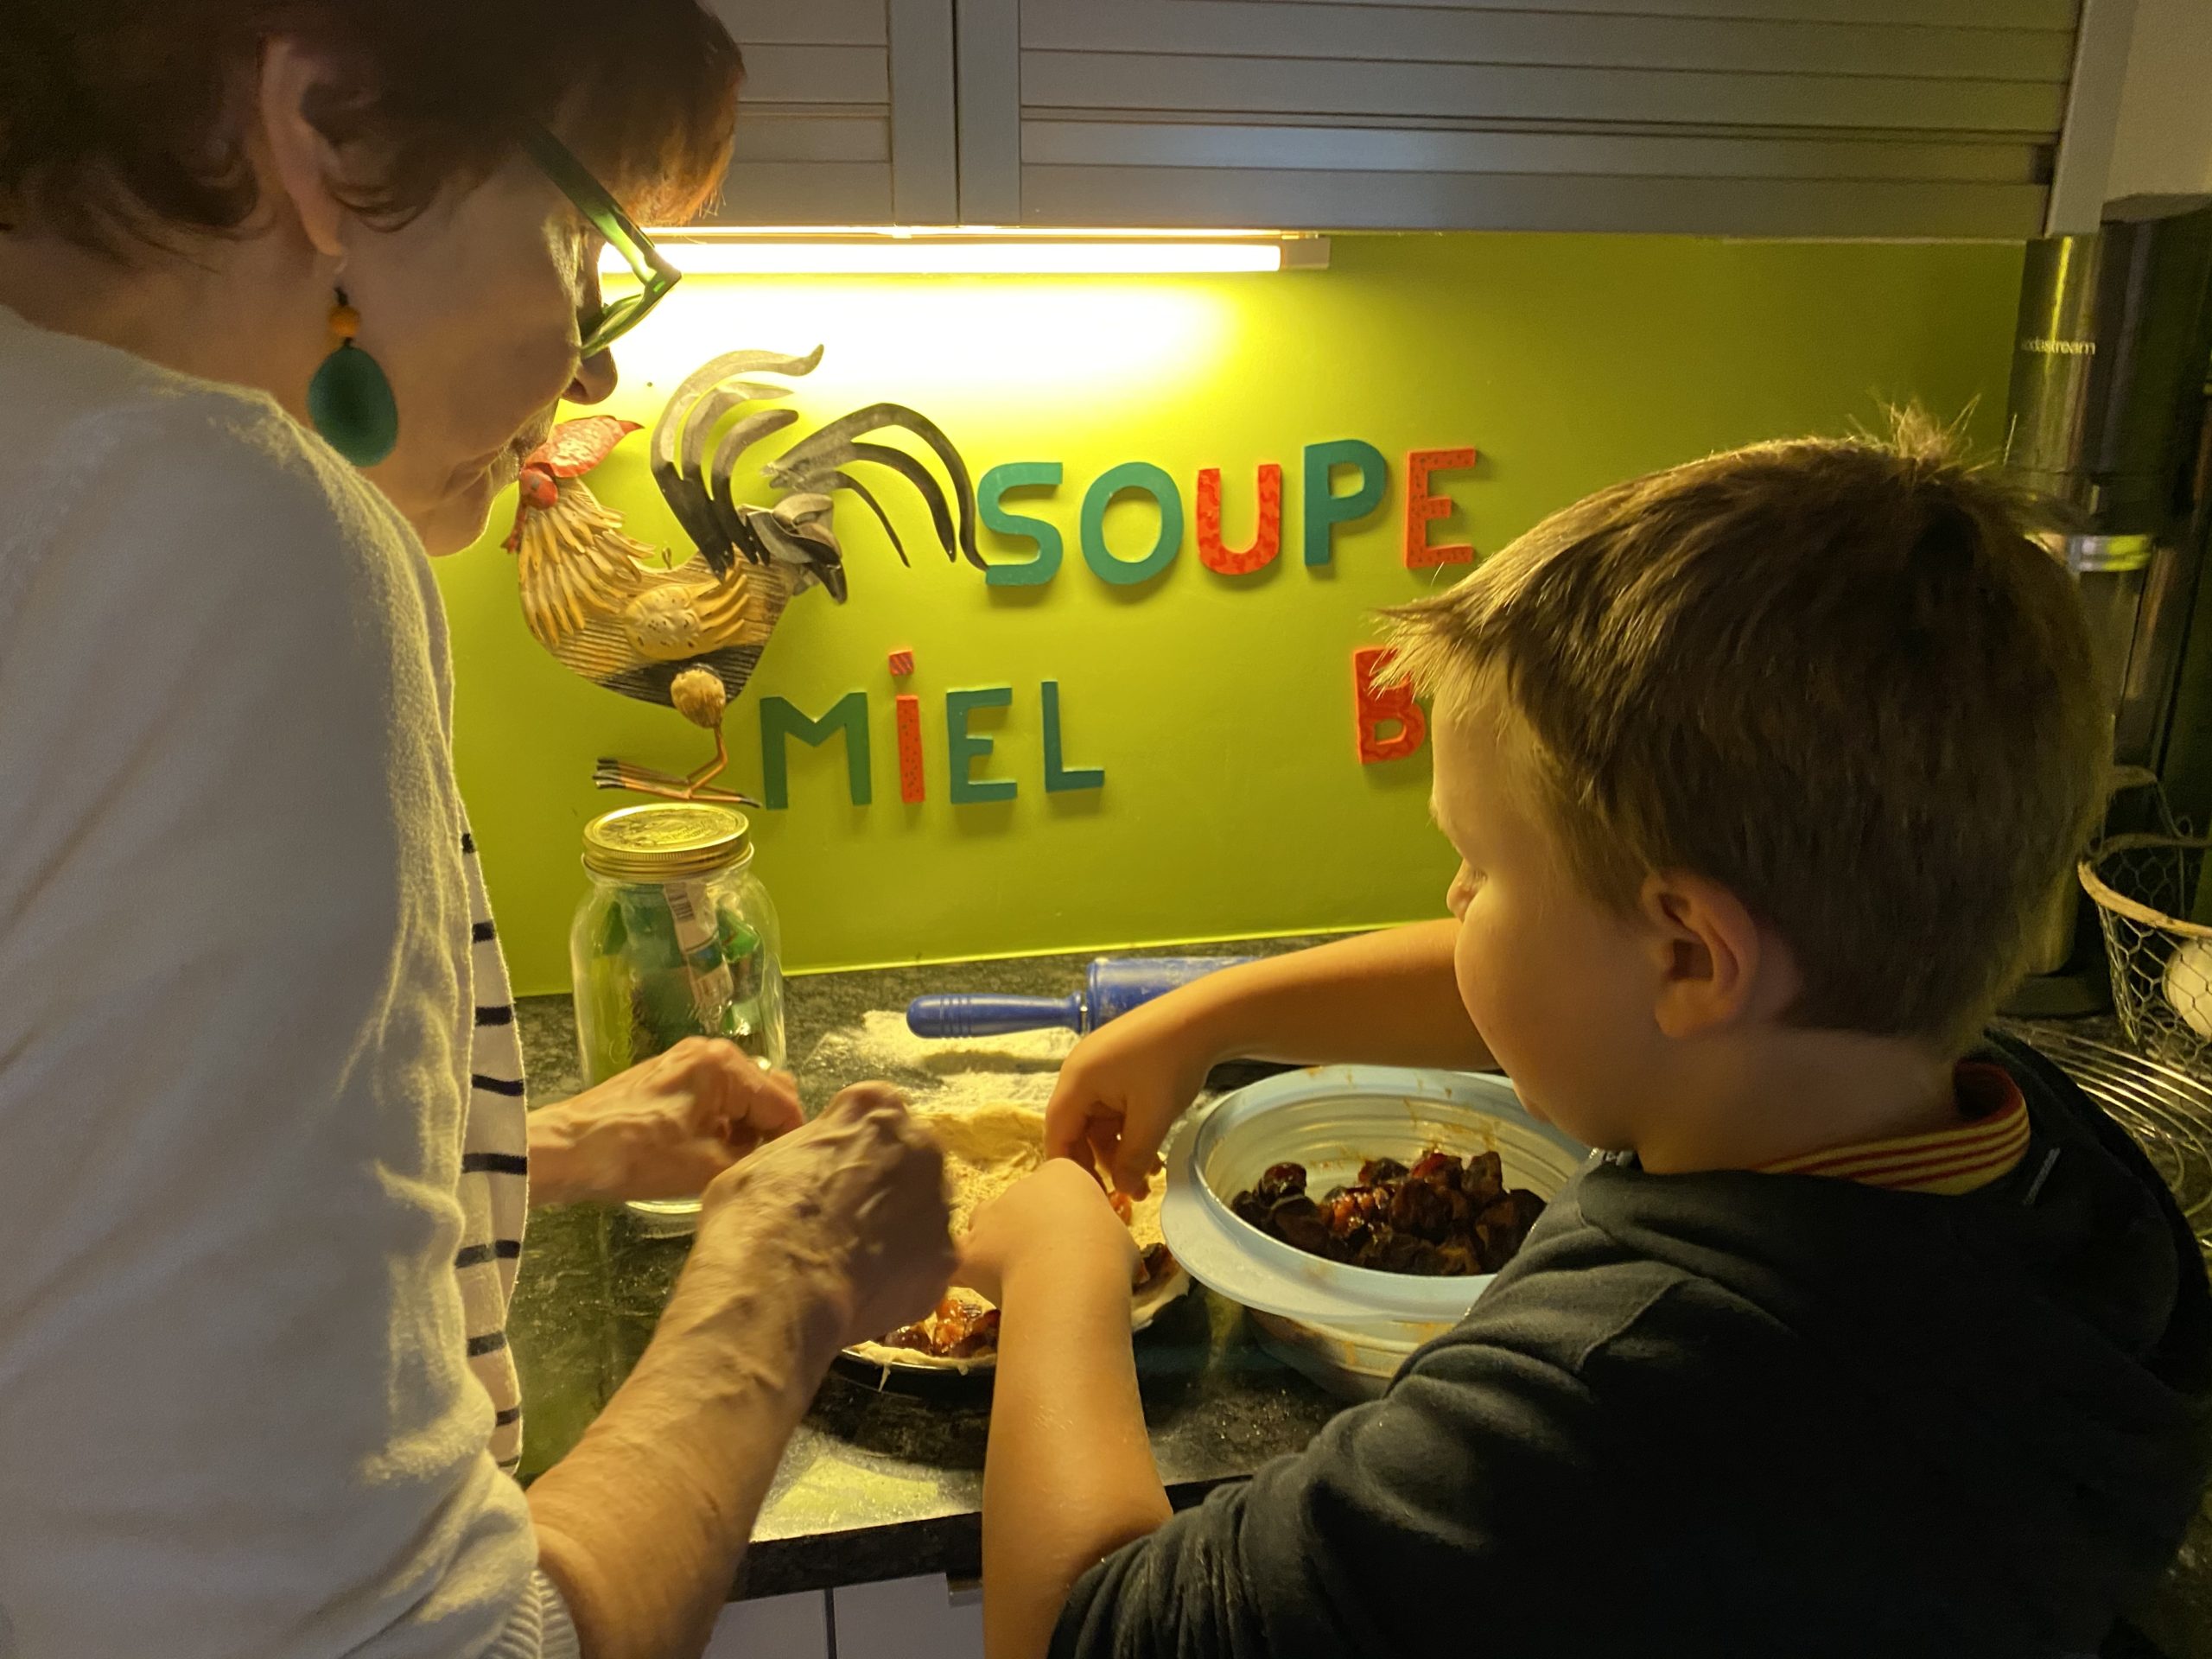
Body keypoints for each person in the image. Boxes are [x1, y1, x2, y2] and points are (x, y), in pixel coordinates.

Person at [0, 6, 956, 1657]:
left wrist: (523, 1146)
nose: (593, 365)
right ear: (328, 130)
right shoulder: (214, 528)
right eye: (580, 240)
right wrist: (783, 1282)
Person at [960, 423, 2212, 1658]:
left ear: (1690, 955)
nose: (1453, 904)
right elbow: (1592, 993)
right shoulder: (2041, 1164)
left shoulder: (1611, 1409)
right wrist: (1215, 1018)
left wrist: (1066, 1270)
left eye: (1477, 864)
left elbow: (1081, 1633)